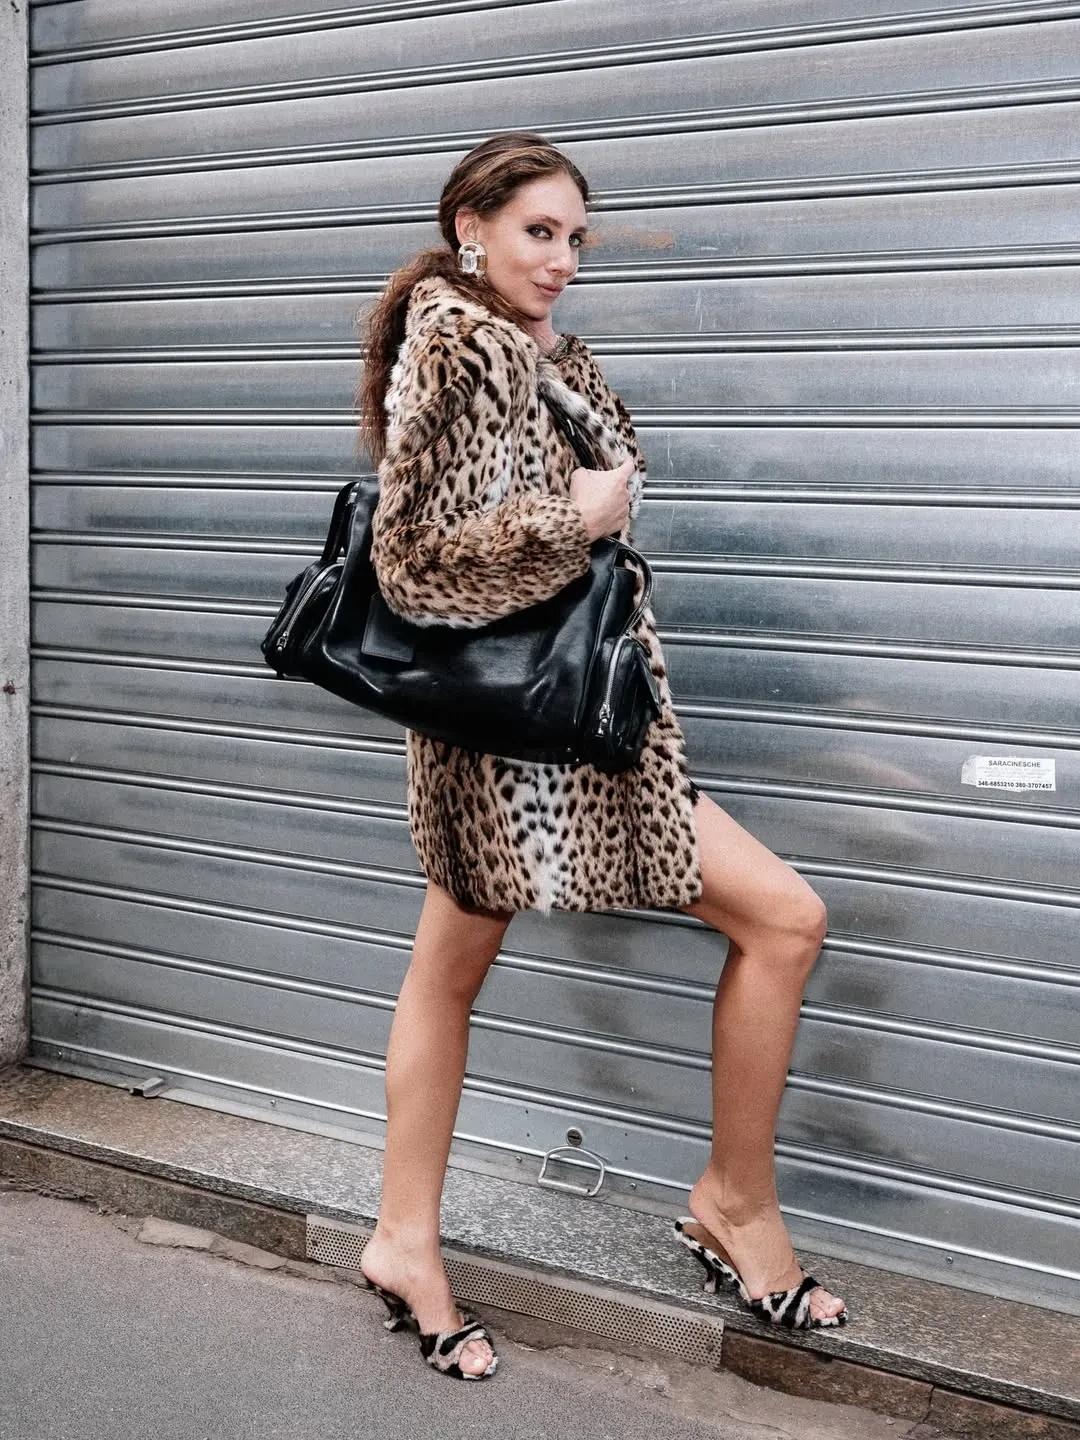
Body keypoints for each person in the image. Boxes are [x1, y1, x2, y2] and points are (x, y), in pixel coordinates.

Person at [355, 131, 847, 1381]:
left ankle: (729, 1200)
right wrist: (563, 518)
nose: (565, 257)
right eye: (540, 231)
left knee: (780, 923)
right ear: (470, 227)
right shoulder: (456, 351)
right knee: (459, 977)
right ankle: (415, 1243)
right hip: (507, 746)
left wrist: (579, 502)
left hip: (581, 736)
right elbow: (412, 567)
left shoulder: (548, 359)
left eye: (577, 237)